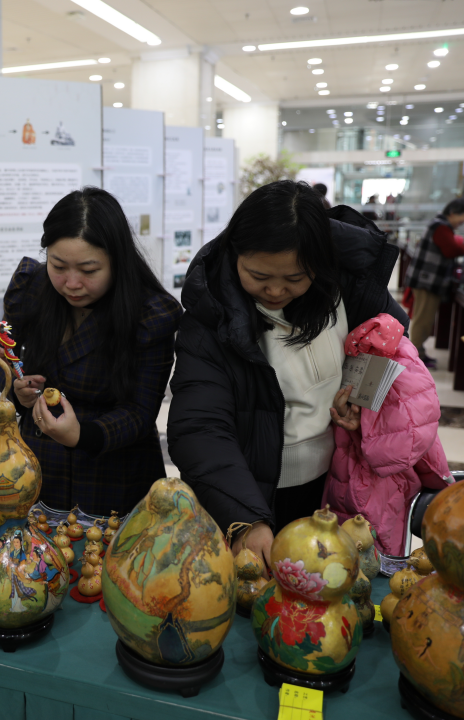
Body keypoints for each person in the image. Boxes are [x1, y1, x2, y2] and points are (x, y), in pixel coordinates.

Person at [167, 180, 408, 573]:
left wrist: (363, 402)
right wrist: (245, 518)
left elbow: (392, 340)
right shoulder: (212, 316)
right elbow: (199, 426)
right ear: (235, 253)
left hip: (334, 485)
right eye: (258, 275)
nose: (276, 290)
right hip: (247, 487)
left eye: (295, 278)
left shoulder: (348, 286)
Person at [0, 187, 182, 517]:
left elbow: (140, 411)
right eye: (58, 265)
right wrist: (16, 390)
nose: (72, 283)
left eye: (89, 271)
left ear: (117, 261)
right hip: (37, 465)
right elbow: (3, 359)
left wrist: (82, 434)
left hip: (113, 473)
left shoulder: (150, 313)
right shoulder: (32, 286)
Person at [322, 314, 452, 555]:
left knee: (360, 547)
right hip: (370, 466)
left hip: (370, 469)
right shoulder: (402, 354)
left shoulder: (393, 355)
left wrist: (367, 433)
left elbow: (408, 437)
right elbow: (416, 432)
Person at [404, 197, 464, 369]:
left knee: (424, 319)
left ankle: (418, 352)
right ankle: (415, 357)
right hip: (427, 281)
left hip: (426, 279)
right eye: (463, 216)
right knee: (423, 320)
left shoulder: (439, 224)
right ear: (453, 212)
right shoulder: (441, 227)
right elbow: (451, 250)